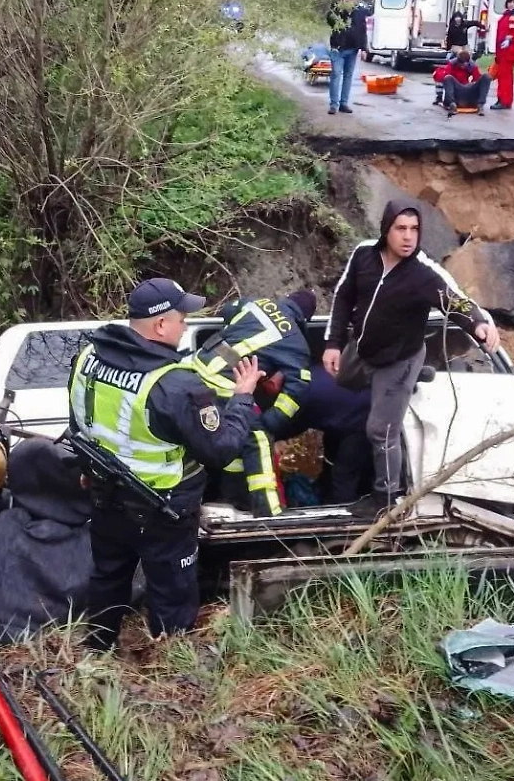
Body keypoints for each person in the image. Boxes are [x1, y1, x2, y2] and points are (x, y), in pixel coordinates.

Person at [68, 277, 265, 649]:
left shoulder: (86, 360)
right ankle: (170, 666)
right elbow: (220, 449)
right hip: (162, 508)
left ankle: (97, 649)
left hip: (106, 497)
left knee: (108, 575)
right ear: (161, 325)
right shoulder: (175, 385)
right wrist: (242, 397)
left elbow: (79, 421)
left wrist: (85, 470)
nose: (186, 325)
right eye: (181, 318)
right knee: (171, 589)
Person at [323, 199, 501, 515]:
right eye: (401, 229)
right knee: (339, 381)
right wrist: (333, 343)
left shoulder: (423, 274)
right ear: (386, 230)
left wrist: (479, 324)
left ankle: (388, 499)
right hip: (363, 349)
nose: (408, 237)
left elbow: (456, 302)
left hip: (399, 360)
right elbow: (343, 296)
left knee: (380, 430)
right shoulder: (364, 254)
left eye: (415, 229)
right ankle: (406, 383)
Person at [190, 291, 317, 517]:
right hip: (222, 385)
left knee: (228, 440)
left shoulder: (258, 303)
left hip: (198, 368)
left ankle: (229, 498)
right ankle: (270, 512)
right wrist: (270, 421)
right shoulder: (296, 343)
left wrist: (237, 347)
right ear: (304, 319)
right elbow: (296, 390)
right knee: (258, 440)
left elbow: (228, 310)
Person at [281, 364, 373, 505]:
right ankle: (326, 494)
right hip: (343, 413)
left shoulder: (299, 395)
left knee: (343, 474)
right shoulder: (299, 370)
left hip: (361, 420)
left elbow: (292, 425)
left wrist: (271, 435)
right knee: (330, 459)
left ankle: (342, 514)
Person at [326, 0, 369, 116]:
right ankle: (334, 105)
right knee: (336, 75)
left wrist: (364, 48)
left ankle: (343, 103)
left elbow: (363, 29)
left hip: (353, 48)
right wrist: (341, 7)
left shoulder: (360, 10)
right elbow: (330, 20)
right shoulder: (336, 8)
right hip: (338, 49)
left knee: (348, 76)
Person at [432, 50, 492, 116]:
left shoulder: (472, 66)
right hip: (457, 94)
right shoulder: (451, 65)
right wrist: (440, 97)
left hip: (469, 93)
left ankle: (480, 105)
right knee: (447, 77)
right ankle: (452, 104)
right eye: (461, 63)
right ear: (457, 61)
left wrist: (472, 84)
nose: (463, 66)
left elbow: (476, 79)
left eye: (465, 64)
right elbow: (445, 79)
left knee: (486, 76)